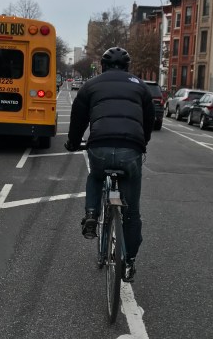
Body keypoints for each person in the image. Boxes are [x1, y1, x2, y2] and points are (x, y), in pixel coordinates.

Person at [64, 47, 155, 282]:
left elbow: (78, 116)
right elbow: (149, 119)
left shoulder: (91, 85)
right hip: (130, 150)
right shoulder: (141, 86)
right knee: (132, 213)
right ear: (128, 67)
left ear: (103, 66)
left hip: (100, 146)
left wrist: (74, 142)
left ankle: (92, 214)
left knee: (95, 175)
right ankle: (130, 262)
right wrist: (141, 143)